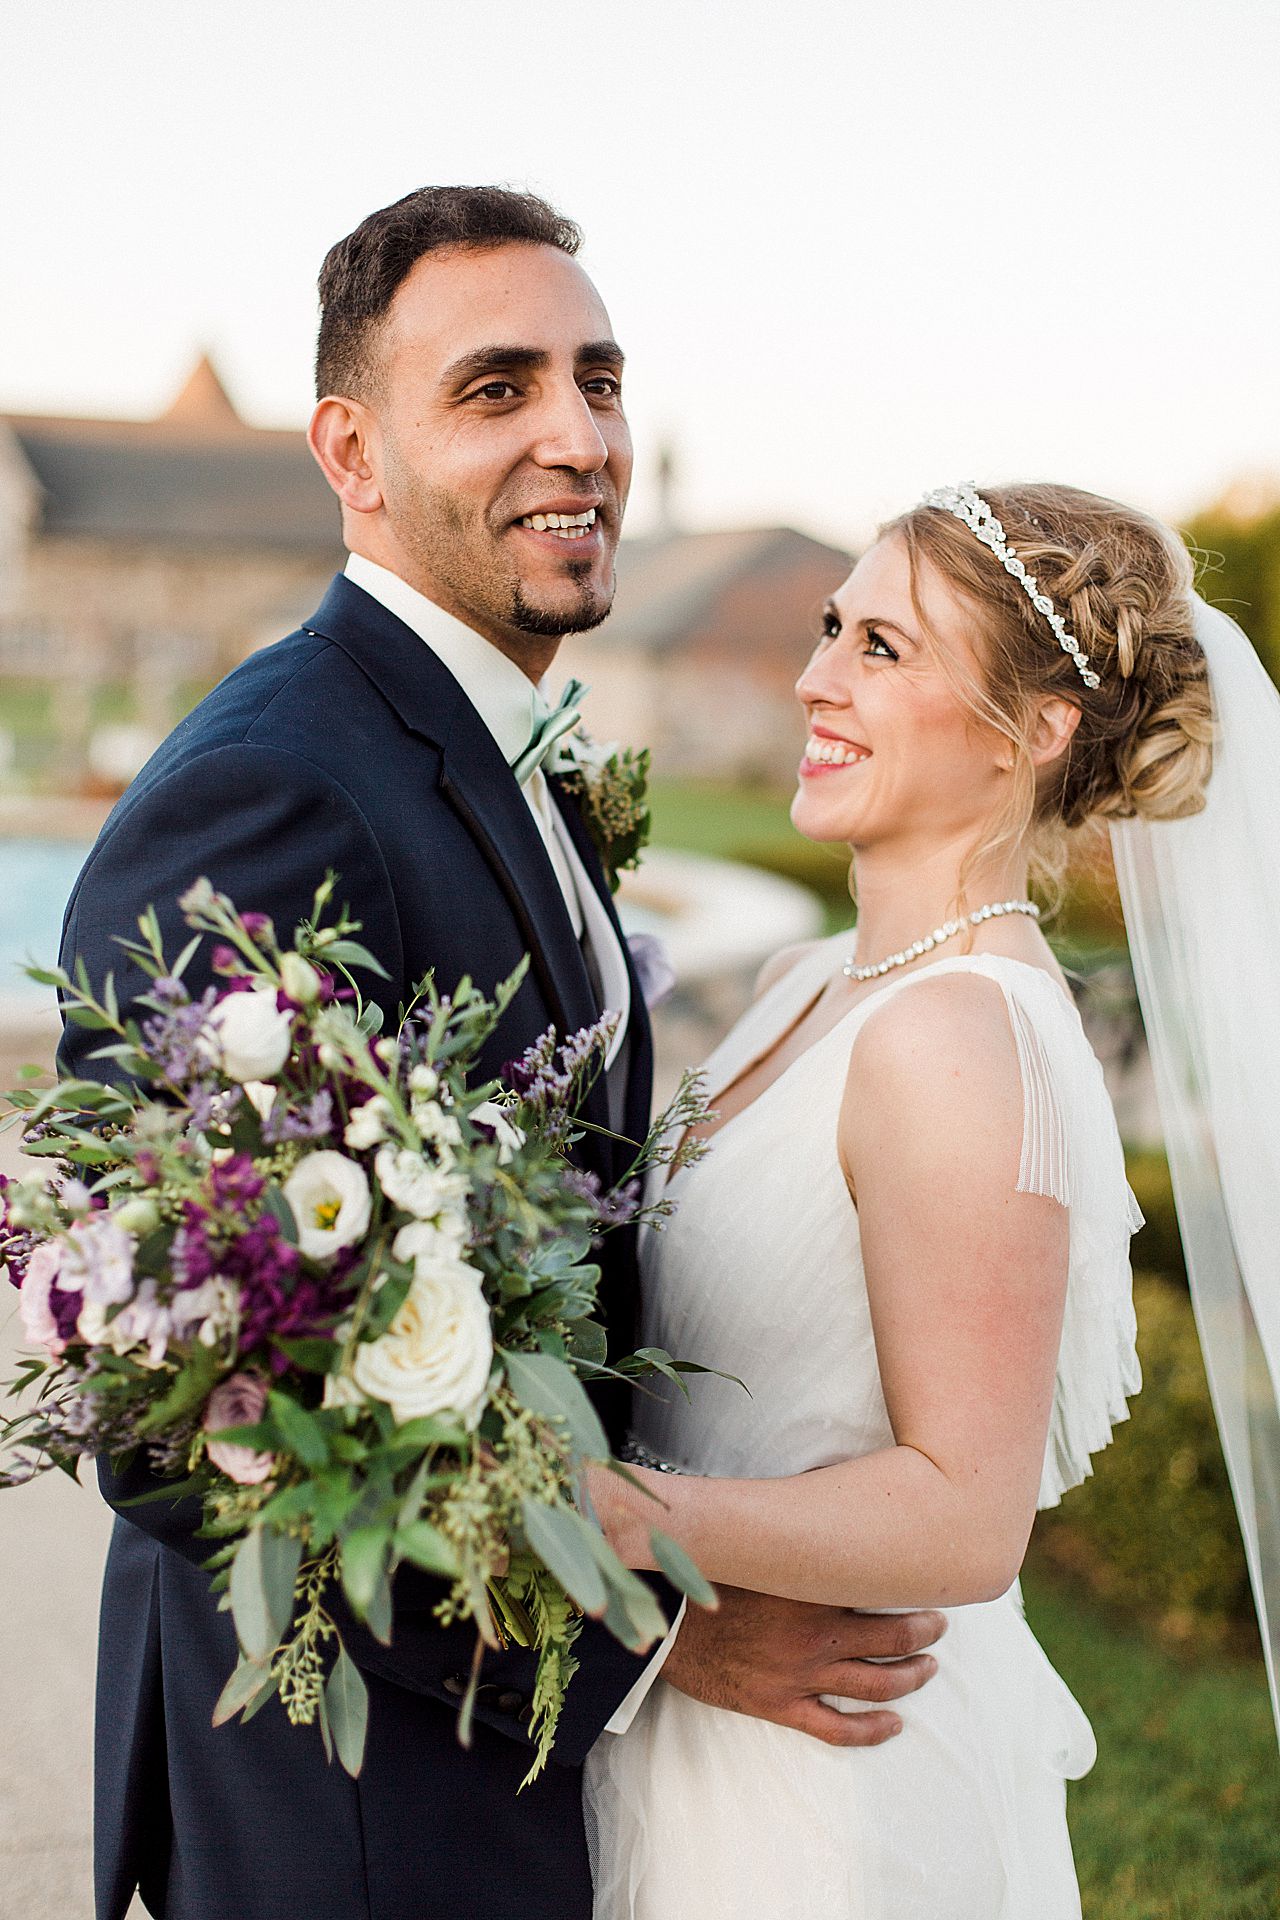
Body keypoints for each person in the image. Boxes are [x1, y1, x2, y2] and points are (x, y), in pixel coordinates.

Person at [58, 186, 943, 1920]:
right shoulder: (277, 787)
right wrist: (644, 1629)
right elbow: (165, 1408)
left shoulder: (494, 742)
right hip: (350, 1802)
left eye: (598, 381)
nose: (579, 437)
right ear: (351, 450)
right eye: (496, 389)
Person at [585, 481, 1216, 1917]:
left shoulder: (958, 1038)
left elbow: (961, 1517)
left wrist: (611, 1512)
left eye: (883, 647)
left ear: (1034, 728)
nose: (814, 678)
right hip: (708, 1723)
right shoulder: (818, 984)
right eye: (830, 630)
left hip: (831, 1797)